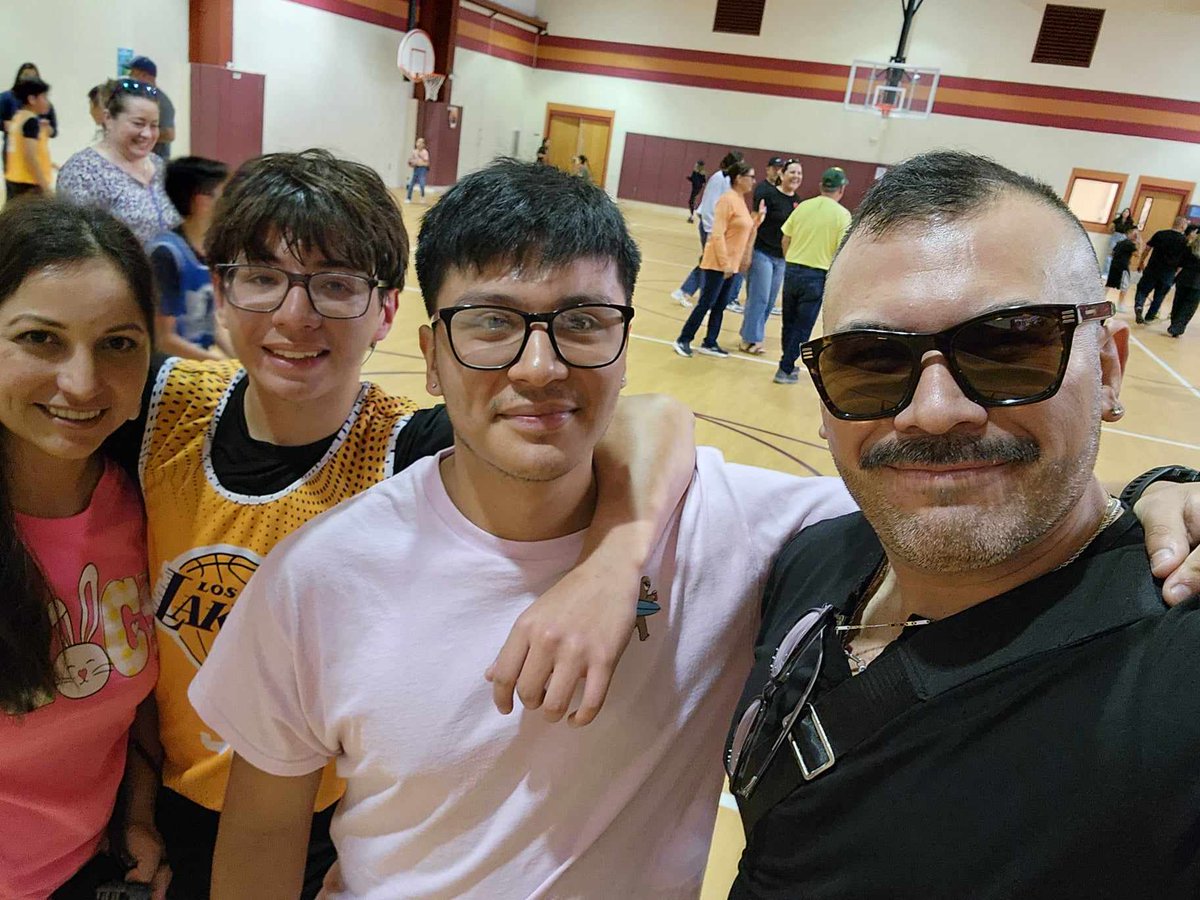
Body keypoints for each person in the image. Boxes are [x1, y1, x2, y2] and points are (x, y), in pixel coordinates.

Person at [188, 158, 858, 899]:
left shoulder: (734, 528)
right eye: (492, 322)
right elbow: (261, 837)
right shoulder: (320, 574)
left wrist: (615, 559)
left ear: (627, 346)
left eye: (581, 322)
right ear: (432, 358)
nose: (539, 367)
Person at [100, 149, 696, 899]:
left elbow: (648, 417)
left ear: (387, 311)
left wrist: (615, 559)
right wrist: (134, 806)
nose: (294, 315)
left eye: (336, 286)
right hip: (143, 797)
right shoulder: (161, 406)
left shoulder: (410, 445)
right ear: (222, 292)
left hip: (311, 817)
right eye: (261, 279)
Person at [727, 151, 1200, 897]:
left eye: (1010, 345)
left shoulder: (1174, 674)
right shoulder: (814, 560)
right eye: (869, 362)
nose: (935, 410)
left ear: (1108, 368)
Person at [0, 198, 169, 899]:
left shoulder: (146, 503)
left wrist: (137, 819)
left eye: (117, 343)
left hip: (86, 871)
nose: (82, 381)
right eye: (41, 339)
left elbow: (122, 711)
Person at [57, 78, 180, 244]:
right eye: (138, 123)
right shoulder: (82, 173)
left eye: (154, 125)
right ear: (108, 118)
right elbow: (75, 244)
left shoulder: (158, 165)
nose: (147, 134)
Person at [673, 159, 765, 359]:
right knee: (706, 303)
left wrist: (758, 220)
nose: (753, 181)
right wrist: (724, 264)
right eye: (751, 176)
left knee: (720, 306)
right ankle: (683, 339)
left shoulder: (740, 199)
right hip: (718, 264)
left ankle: (710, 342)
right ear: (739, 178)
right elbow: (717, 234)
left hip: (731, 266)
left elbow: (744, 229)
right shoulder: (727, 199)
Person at [147, 156, 232, 360]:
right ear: (202, 201)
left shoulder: (213, 248)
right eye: (225, 194)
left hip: (201, 361)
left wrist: (238, 361)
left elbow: (212, 324)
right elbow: (163, 340)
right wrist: (222, 365)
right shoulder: (165, 254)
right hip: (171, 369)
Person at [772, 166, 851, 385]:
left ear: (821, 186)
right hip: (817, 275)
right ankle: (785, 368)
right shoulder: (842, 215)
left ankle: (786, 363)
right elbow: (841, 252)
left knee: (788, 322)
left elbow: (785, 238)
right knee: (802, 327)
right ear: (841, 189)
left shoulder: (803, 206)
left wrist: (790, 260)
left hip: (792, 270)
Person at [740, 159, 802, 354]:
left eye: (799, 173)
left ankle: (751, 333)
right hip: (762, 253)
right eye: (792, 172)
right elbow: (754, 223)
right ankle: (751, 339)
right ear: (782, 175)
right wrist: (748, 252)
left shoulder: (797, 202)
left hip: (781, 258)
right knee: (759, 297)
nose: (796, 177)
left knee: (769, 300)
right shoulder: (768, 195)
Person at [672, 150, 743, 308]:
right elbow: (710, 207)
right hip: (711, 228)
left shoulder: (729, 181)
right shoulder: (718, 179)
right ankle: (703, 297)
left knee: (707, 261)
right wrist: (713, 232)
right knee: (711, 264)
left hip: (719, 229)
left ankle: (684, 291)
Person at [1, 63, 57, 190]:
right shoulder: (30, 121)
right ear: (32, 99)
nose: (47, 101)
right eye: (44, 97)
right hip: (28, 184)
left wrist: (51, 164)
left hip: (15, 180)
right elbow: (30, 157)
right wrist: (45, 186)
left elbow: (24, 151)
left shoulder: (18, 117)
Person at [1133, 215, 1190, 324]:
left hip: (1153, 268)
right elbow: (1183, 261)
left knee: (1142, 290)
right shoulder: (1184, 241)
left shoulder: (1160, 234)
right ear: (1182, 226)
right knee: (1160, 295)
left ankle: (1139, 306)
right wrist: (1176, 273)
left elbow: (1147, 248)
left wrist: (1142, 261)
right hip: (1168, 272)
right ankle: (1150, 317)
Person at [127, 57, 175, 159]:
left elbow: (169, 134)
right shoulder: (141, 97)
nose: (129, 76)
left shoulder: (161, 101)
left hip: (156, 161)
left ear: (144, 75)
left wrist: (138, 133)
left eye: (133, 73)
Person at [1168, 228, 1200, 338]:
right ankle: (1178, 326)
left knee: (1178, 302)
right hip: (1197, 283)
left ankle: (1174, 323)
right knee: (1189, 306)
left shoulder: (1189, 247)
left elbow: (1180, 263)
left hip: (1184, 278)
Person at [1104, 226, 1139, 311]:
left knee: (1109, 284)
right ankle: (1120, 305)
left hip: (1114, 265)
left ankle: (1099, 299)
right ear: (1129, 234)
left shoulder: (1120, 242)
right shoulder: (1130, 244)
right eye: (1134, 233)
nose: (1135, 235)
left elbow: (1112, 253)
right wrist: (1139, 242)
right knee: (1124, 286)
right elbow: (1137, 254)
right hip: (1123, 268)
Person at [405, 137, 430, 203]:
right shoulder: (414, 151)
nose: (418, 144)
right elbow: (411, 160)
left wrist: (420, 156)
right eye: (418, 142)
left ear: (423, 144)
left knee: (422, 183)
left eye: (420, 142)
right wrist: (410, 162)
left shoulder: (425, 152)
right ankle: (408, 198)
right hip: (416, 168)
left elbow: (426, 162)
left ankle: (422, 196)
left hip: (422, 169)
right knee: (411, 183)